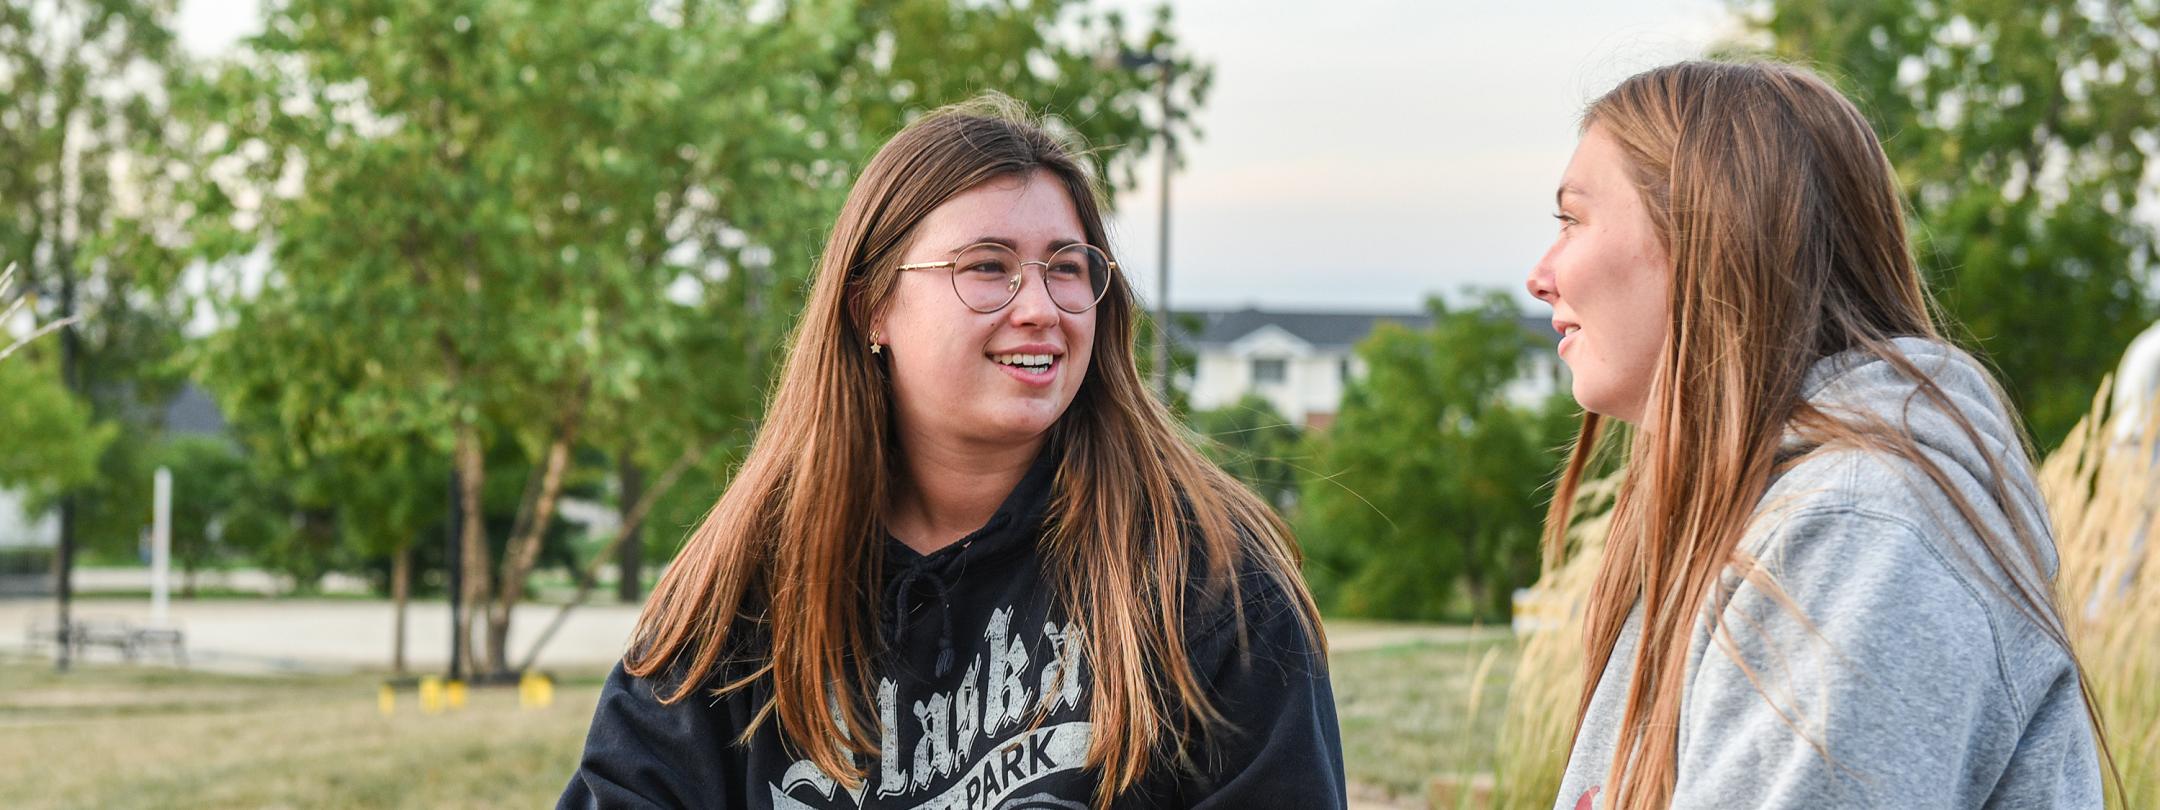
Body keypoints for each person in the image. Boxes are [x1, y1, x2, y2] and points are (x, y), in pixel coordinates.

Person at [558, 95, 1344, 809]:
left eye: (1066, 268)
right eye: (987, 268)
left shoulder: (1208, 579)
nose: (1039, 308)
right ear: (872, 308)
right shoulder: (741, 588)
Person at [1525, 60, 2114, 809]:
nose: (1540, 275)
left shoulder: (1860, 533)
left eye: (1571, 219)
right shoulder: (1769, 517)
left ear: (1710, 235)